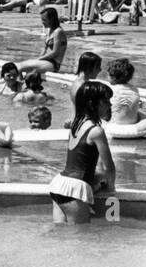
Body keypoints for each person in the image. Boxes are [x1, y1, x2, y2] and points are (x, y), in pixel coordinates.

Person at [49, 82, 116, 224]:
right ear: (93, 104)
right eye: (106, 101)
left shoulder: (76, 126)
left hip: (58, 186)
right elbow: (109, 167)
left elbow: (81, 164)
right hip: (74, 191)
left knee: (60, 236)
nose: (110, 105)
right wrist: (111, 191)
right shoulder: (96, 131)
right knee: (81, 239)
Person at [16, 6, 68, 74]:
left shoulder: (58, 32)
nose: (42, 22)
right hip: (45, 62)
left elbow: (55, 52)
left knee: (20, 67)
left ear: (51, 19)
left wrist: (38, 59)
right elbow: (45, 49)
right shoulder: (50, 30)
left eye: (44, 20)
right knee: (18, 66)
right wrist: (37, 59)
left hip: (53, 64)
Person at [105, 58, 144, 127]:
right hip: (132, 125)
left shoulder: (110, 89)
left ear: (113, 77)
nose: (106, 76)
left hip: (113, 126)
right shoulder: (134, 89)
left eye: (107, 74)